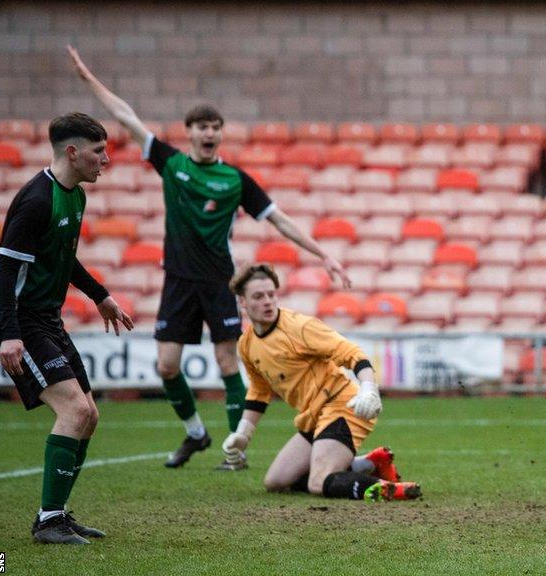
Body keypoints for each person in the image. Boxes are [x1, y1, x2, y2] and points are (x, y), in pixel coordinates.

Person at [68, 46, 352, 470]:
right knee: (166, 366)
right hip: (178, 280)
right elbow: (127, 117)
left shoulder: (235, 180)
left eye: (215, 127)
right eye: (202, 126)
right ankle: (197, 432)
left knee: (226, 362)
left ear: (221, 133)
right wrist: (90, 80)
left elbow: (280, 220)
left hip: (221, 281)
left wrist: (324, 254)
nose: (209, 133)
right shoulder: (172, 163)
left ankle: (236, 453)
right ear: (189, 132)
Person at [0, 113, 135, 544]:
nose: (105, 160)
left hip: (49, 320)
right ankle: (49, 522)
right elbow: (4, 273)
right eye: (98, 152)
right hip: (26, 322)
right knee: (74, 411)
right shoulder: (37, 200)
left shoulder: (73, 196)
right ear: (72, 152)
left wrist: (100, 294)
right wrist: (7, 333)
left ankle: (54, 516)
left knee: (89, 416)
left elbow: (63, 257)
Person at [223, 263, 421, 502]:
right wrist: (244, 432)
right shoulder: (246, 344)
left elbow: (351, 352)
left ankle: (391, 488)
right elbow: (259, 390)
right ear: (242, 301)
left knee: (318, 482)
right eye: (258, 296)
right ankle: (369, 464)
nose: (267, 301)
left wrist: (368, 388)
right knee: (275, 481)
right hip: (314, 416)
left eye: (271, 294)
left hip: (342, 407)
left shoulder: (299, 327)